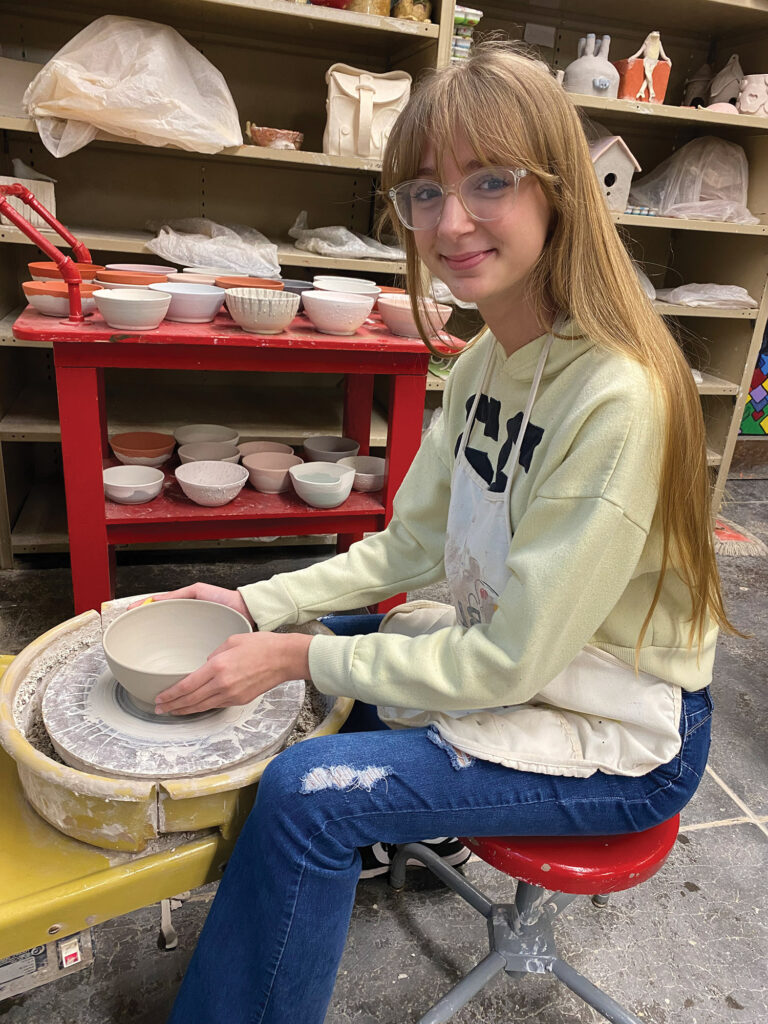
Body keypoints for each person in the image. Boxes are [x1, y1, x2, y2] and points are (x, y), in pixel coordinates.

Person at [159, 41, 736, 1024]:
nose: (450, 221)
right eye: (424, 192)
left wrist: (297, 653)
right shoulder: (483, 364)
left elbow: (508, 663)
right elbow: (409, 549)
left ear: (558, 192)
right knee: (312, 659)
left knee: (311, 787)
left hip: (620, 727)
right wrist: (257, 607)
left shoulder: (618, 396)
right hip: (524, 655)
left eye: (489, 183)